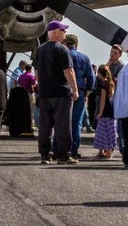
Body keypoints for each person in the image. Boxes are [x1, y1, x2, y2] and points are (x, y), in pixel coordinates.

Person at [34, 20, 79, 165]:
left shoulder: (40, 49)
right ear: (54, 32)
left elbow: (36, 71)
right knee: (62, 125)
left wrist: (40, 87)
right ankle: (63, 156)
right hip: (61, 93)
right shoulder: (62, 49)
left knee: (45, 126)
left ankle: (45, 155)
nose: (65, 33)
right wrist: (75, 90)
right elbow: (69, 71)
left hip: (45, 93)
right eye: (62, 30)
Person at [64, 33, 94, 159]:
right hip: (80, 91)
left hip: (63, 91)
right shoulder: (84, 58)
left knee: (61, 122)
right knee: (76, 123)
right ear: (76, 44)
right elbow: (91, 78)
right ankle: (73, 150)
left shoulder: (61, 56)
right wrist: (87, 91)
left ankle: (58, 148)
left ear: (65, 43)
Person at [92, 66, 117, 159]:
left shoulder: (103, 85)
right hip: (111, 110)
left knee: (102, 131)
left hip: (105, 110)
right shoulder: (111, 83)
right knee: (110, 131)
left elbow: (103, 100)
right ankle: (104, 151)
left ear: (99, 73)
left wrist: (100, 113)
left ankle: (106, 152)